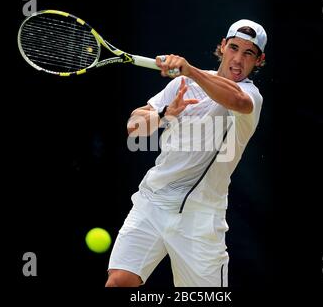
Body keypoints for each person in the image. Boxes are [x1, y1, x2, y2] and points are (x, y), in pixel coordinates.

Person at [106, 19, 267, 287]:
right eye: (234, 48)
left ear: (258, 60)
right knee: (120, 281)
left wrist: (190, 71)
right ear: (222, 47)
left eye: (248, 53)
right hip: (152, 202)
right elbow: (133, 127)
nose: (238, 59)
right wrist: (164, 114)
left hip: (200, 218)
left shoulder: (250, 96)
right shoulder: (182, 83)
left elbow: (234, 100)